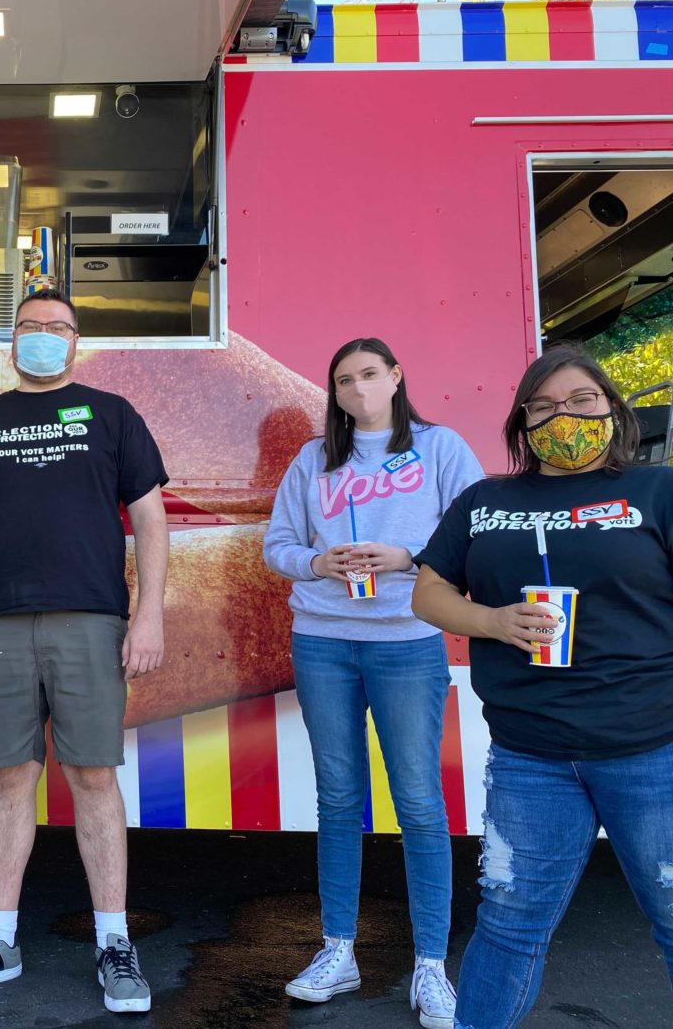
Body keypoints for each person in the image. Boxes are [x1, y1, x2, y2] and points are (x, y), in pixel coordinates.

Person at [412, 345, 673, 1029]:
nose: (565, 416)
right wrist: (493, 621)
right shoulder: (486, 501)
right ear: (523, 421)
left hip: (651, 751)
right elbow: (429, 594)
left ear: (613, 411)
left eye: (582, 401)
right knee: (508, 924)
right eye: (545, 404)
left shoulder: (658, 491)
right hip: (530, 756)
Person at [0, 289, 169, 1014]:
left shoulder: (113, 415)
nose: (41, 337)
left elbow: (150, 520)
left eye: (55, 328)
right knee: (9, 778)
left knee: (93, 775)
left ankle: (114, 943)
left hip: (91, 621)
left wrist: (148, 613)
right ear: (11, 343)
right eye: (28, 327)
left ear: (75, 341)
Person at [263, 337, 483, 1029]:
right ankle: (338, 950)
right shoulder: (313, 458)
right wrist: (316, 564)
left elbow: (475, 533)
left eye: (368, 374)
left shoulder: (441, 449)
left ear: (395, 375)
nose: (357, 388)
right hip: (324, 642)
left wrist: (409, 557)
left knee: (419, 800)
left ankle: (429, 968)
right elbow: (277, 547)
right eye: (343, 380)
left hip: (408, 642)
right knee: (337, 797)